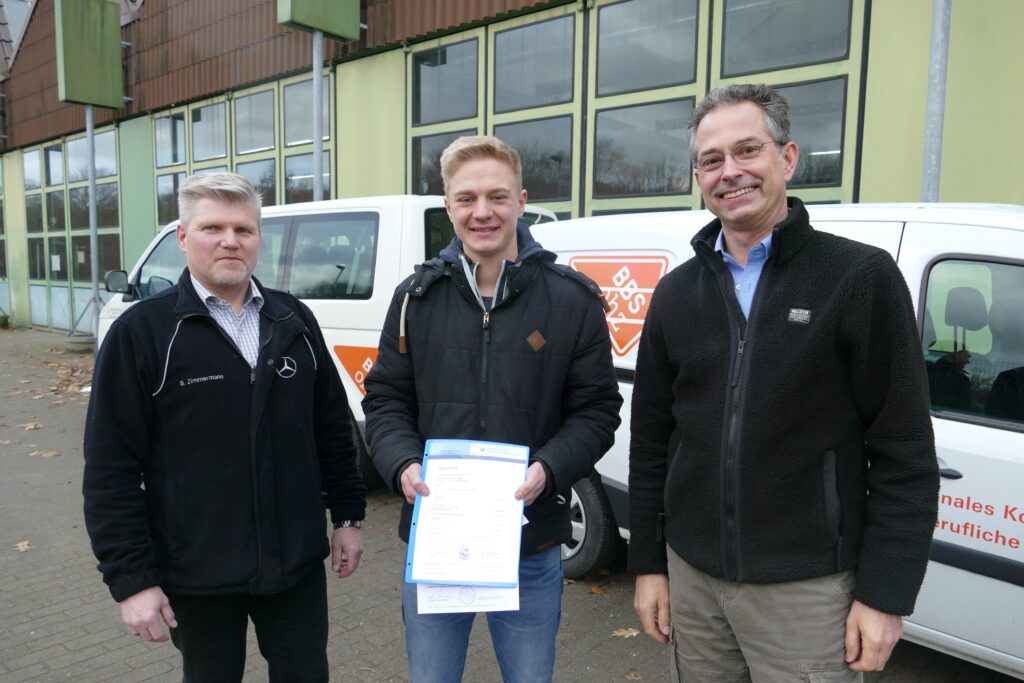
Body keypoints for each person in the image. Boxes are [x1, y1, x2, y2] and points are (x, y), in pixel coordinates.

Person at [628, 84, 939, 682]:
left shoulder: (858, 278)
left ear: (788, 158)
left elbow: (904, 454)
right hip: (692, 581)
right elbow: (651, 442)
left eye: (748, 150)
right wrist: (649, 563)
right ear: (698, 175)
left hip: (808, 591)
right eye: (711, 160)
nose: (730, 172)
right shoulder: (676, 293)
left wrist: (885, 595)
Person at [83, 172, 366, 682]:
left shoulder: (294, 319)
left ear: (259, 238)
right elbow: (111, 469)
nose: (230, 241)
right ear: (183, 238)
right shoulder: (142, 334)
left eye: (244, 229)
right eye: (213, 227)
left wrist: (346, 517)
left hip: (295, 567)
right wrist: (131, 579)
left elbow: (329, 428)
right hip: (197, 573)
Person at [362, 135, 622, 683]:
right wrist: (402, 463)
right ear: (449, 206)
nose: (483, 212)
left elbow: (597, 411)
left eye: (498, 197)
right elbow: (385, 400)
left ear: (522, 201)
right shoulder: (415, 298)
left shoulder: (571, 300)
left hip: (530, 539)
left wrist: (548, 469)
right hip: (437, 540)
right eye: (467, 198)